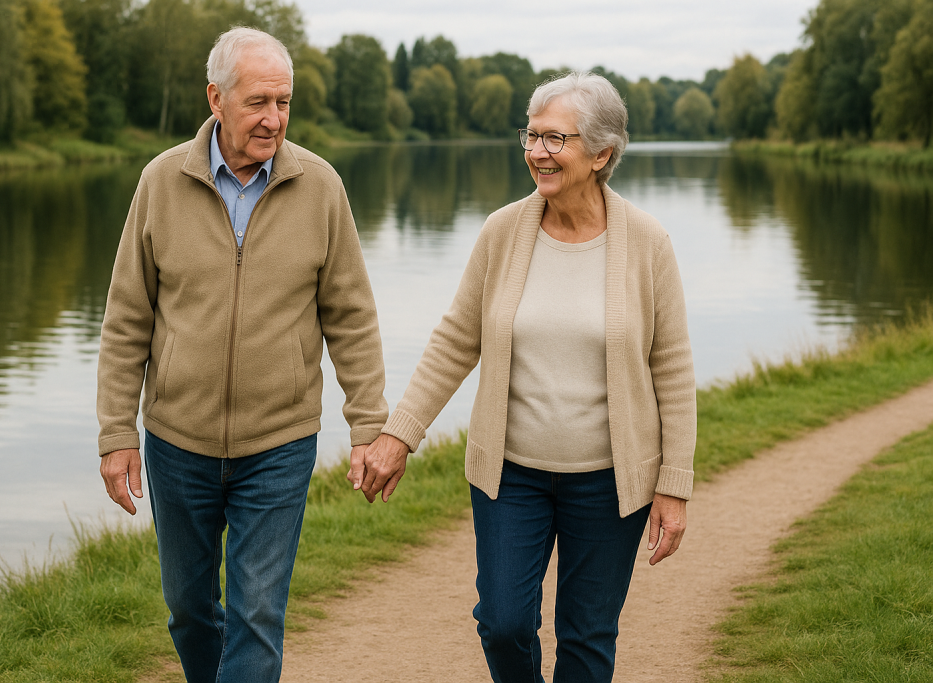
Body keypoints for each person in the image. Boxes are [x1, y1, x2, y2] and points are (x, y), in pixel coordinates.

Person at [350, 72, 696, 681]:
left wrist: (674, 482)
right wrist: (399, 434)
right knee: (504, 623)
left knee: (587, 636)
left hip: (610, 484)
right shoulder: (503, 232)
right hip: (511, 476)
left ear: (601, 153)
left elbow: (672, 369)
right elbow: (457, 339)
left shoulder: (647, 243)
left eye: (555, 139)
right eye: (531, 136)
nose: (537, 152)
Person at [96, 27, 387, 683]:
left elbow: (351, 315)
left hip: (278, 442)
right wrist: (117, 431)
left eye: (283, 102)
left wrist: (368, 423)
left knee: (257, 615)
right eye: (258, 102)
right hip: (178, 440)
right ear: (216, 98)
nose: (274, 118)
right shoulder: (160, 182)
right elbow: (125, 321)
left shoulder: (320, 186)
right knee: (190, 611)